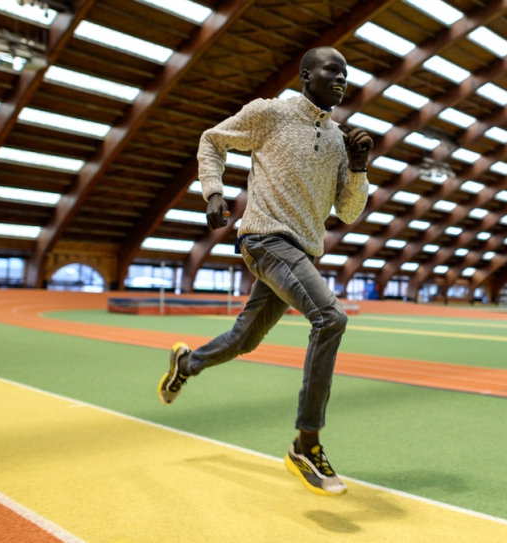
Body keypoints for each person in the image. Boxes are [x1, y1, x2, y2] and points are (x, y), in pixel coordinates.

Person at [157, 46, 372, 497]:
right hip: (265, 240)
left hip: (302, 254)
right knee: (331, 317)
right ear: (304, 74)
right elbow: (212, 140)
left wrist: (357, 168)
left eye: (345, 73)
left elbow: (349, 212)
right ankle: (305, 444)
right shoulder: (270, 114)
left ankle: (187, 363)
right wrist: (213, 192)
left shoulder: (338, 141)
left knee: (244, 338)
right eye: (331, 69)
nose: (340, 78)